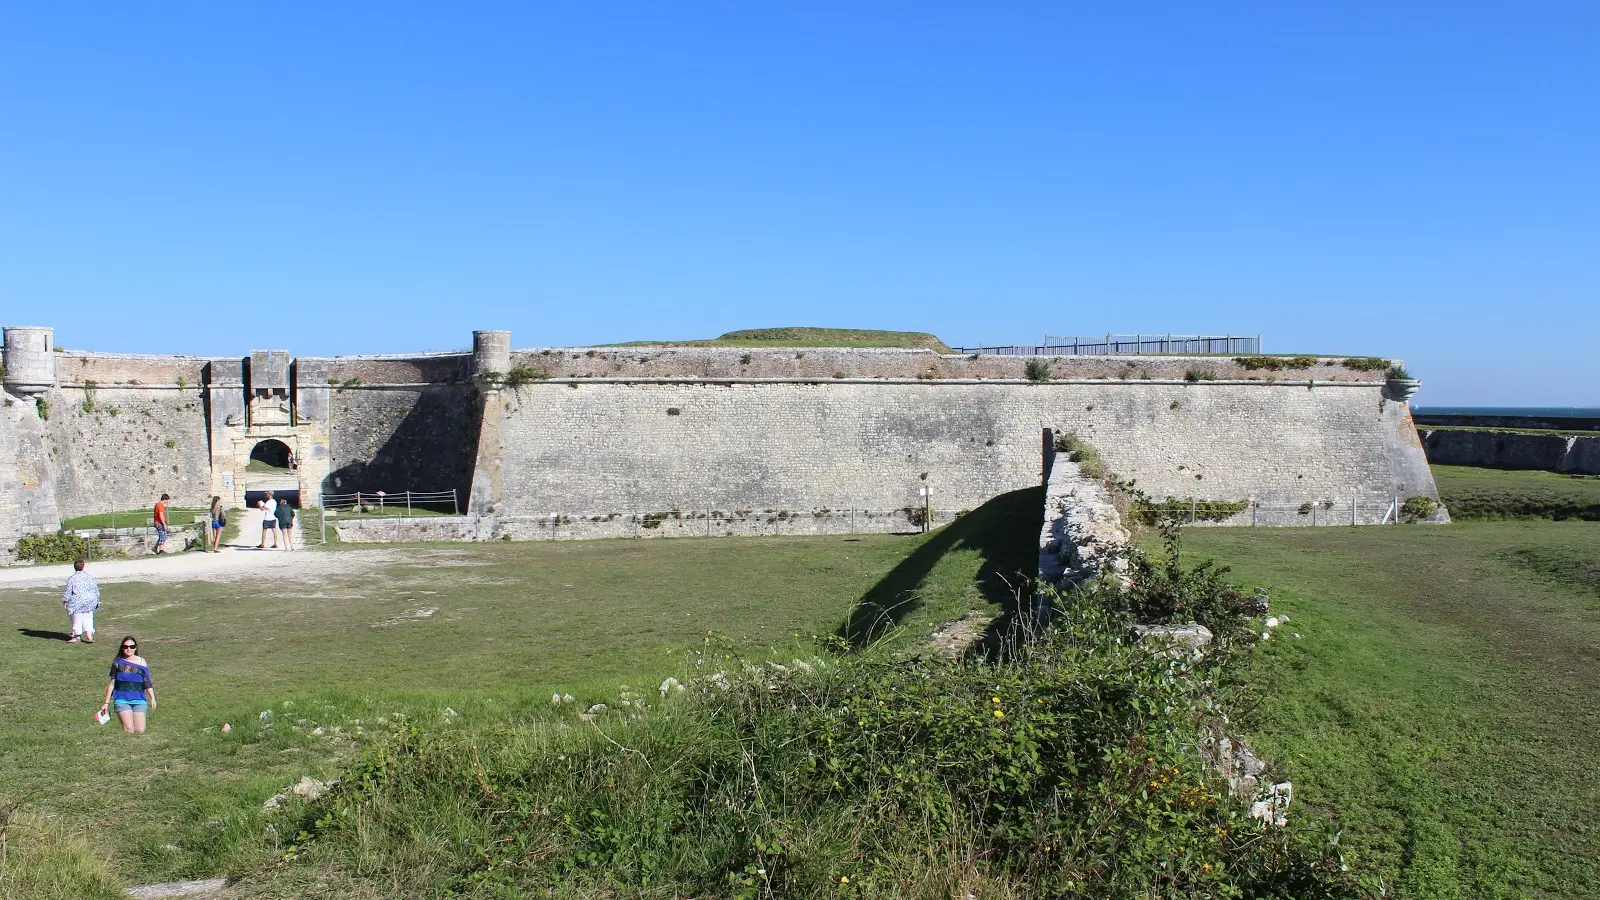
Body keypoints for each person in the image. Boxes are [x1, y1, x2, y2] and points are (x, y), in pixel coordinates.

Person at [99, 636, 156, 733]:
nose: (128, 649)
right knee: (129, 729)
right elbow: (112, 684)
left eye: (131, 646)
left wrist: (152, 698)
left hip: (139, 700)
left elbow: (147, 682)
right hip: (122, 700)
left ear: (135, 648)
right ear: (122, 648)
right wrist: (106, 703)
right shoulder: (117, 664)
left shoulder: (142, 662)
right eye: (125, 647)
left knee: (139, 730)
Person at [62, 556, 100, 643]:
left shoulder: (72, 578)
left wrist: (65, 600)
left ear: (74, 567)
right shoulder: (89, 577)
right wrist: (97, 599)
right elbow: (95, 589)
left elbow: (68, 591)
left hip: (77, 601)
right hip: (90, 600)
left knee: (76, 618)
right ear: (83, 567)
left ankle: (77, 636)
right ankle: (89, 636)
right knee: (88, 617)